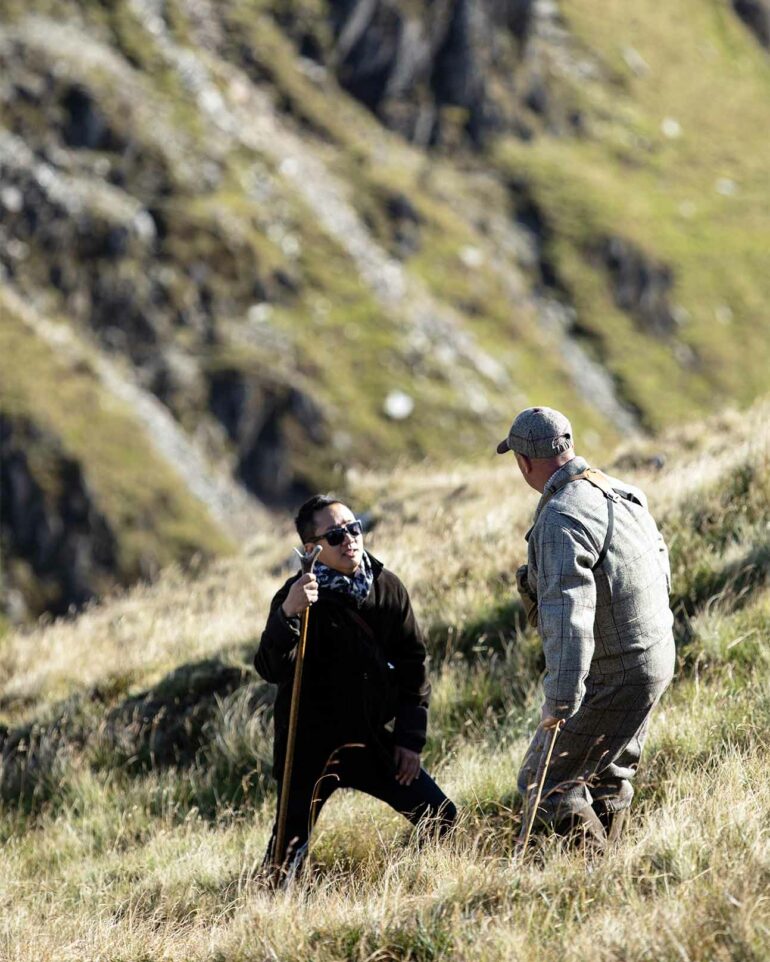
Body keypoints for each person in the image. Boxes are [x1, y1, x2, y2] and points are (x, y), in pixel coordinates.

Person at [497, 407, 675, 848]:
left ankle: (592, 872)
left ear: (524, 462)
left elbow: (568, 620)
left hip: (616, 672)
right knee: (608, 772)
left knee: (546, 784)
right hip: (655, 655)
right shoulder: (621, 490)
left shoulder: (560, 519)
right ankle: (614, 865)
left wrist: (560, 703)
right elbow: (662, 562)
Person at [255, 494, 456, 878]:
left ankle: (409, 885)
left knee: (440, 816)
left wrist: (410, 740)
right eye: (335, 535)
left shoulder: (386, 586)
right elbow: (269, 667)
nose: (349, 539)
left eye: (353, 528)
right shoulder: (296, 597)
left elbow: (413, 663)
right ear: (311, 549)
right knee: (286, 857)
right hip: (308, 747)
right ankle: (269, 905)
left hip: (368, 739)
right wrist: (288, 613)